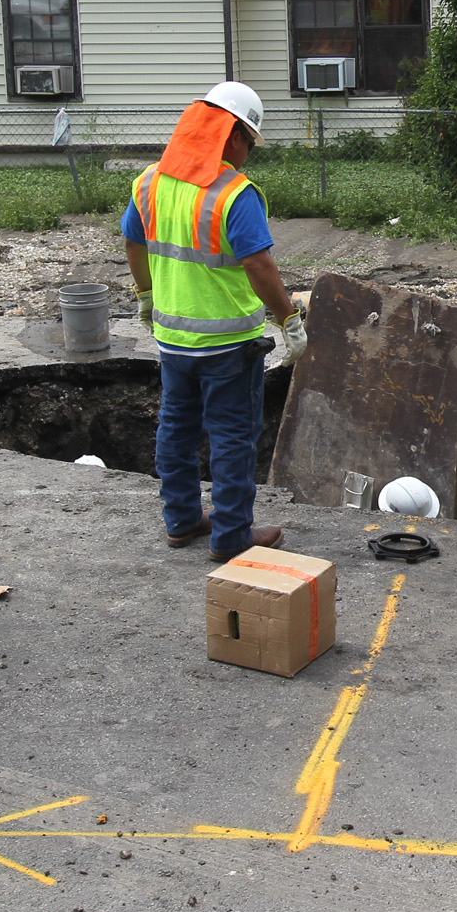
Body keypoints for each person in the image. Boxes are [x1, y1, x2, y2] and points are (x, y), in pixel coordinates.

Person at [123, 82, 306, 562]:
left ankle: (182, 521)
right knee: (232, 439)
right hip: (229, 346)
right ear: (231, 135)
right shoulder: (234, 193)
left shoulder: (149, 182)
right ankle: (230, 537)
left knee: (175, 431)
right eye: (248, 140)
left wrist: (146, 296)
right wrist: (288, 318)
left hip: (174, 342)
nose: (248, 152)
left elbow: (133, 243)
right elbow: (259, 265)